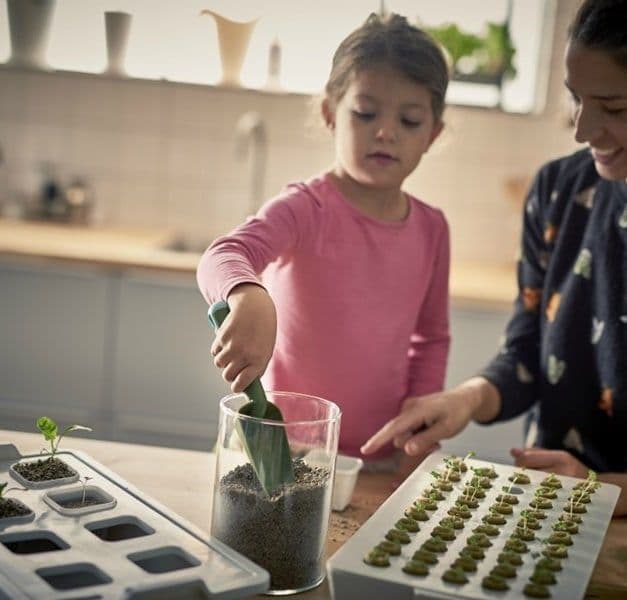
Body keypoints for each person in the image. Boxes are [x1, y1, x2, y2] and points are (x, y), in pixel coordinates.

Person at [362, 0, 627, 514]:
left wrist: (602, 489)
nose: (582, 129)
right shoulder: (557, 191)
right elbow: (529, 352)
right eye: (576, 99)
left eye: (614, 108)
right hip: (552, 508)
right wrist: (466, 399)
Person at [197, 13, 450, 476]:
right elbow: (223, 255)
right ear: (330, 113)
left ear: (433, 134)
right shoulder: (304, 208)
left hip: (378, 459)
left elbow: (430, 337)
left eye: (409, 120)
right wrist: (246, 293)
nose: (386, 132)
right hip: (280, 455)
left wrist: (418, 418)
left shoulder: (433, 229)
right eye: (366, 113)